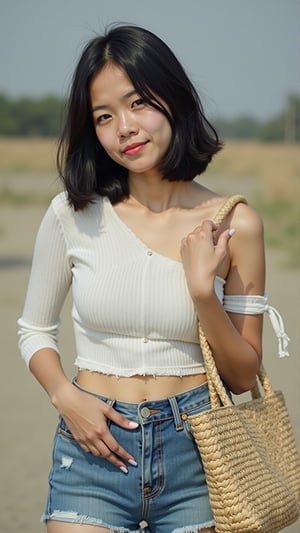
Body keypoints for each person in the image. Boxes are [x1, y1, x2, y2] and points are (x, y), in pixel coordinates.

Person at [18, 24, 289, 533]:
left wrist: (203, 293)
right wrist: (65, 396)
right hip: (91, 450)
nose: (124, 127)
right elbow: (34, 330)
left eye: (138, 102)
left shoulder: (237, 224)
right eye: (104, 116)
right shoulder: (70, 214)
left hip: (199, 452)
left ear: (175, 98)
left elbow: (241, 377)